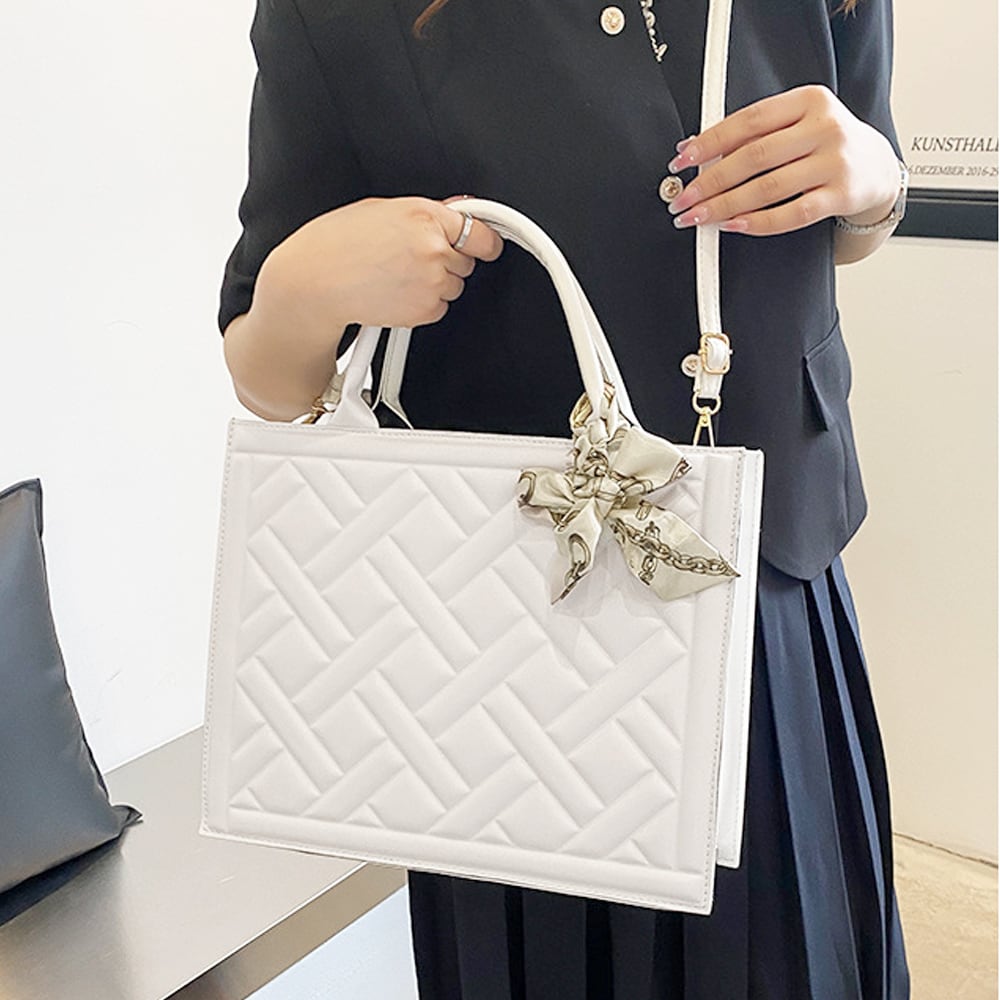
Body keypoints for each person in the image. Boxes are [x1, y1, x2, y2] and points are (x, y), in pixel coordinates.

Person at [216, 0, 911, 996]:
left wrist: (874, 181)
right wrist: (305, 287)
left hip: (764, 596)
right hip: (507, 637)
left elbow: (848, 215)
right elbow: (266, 373)